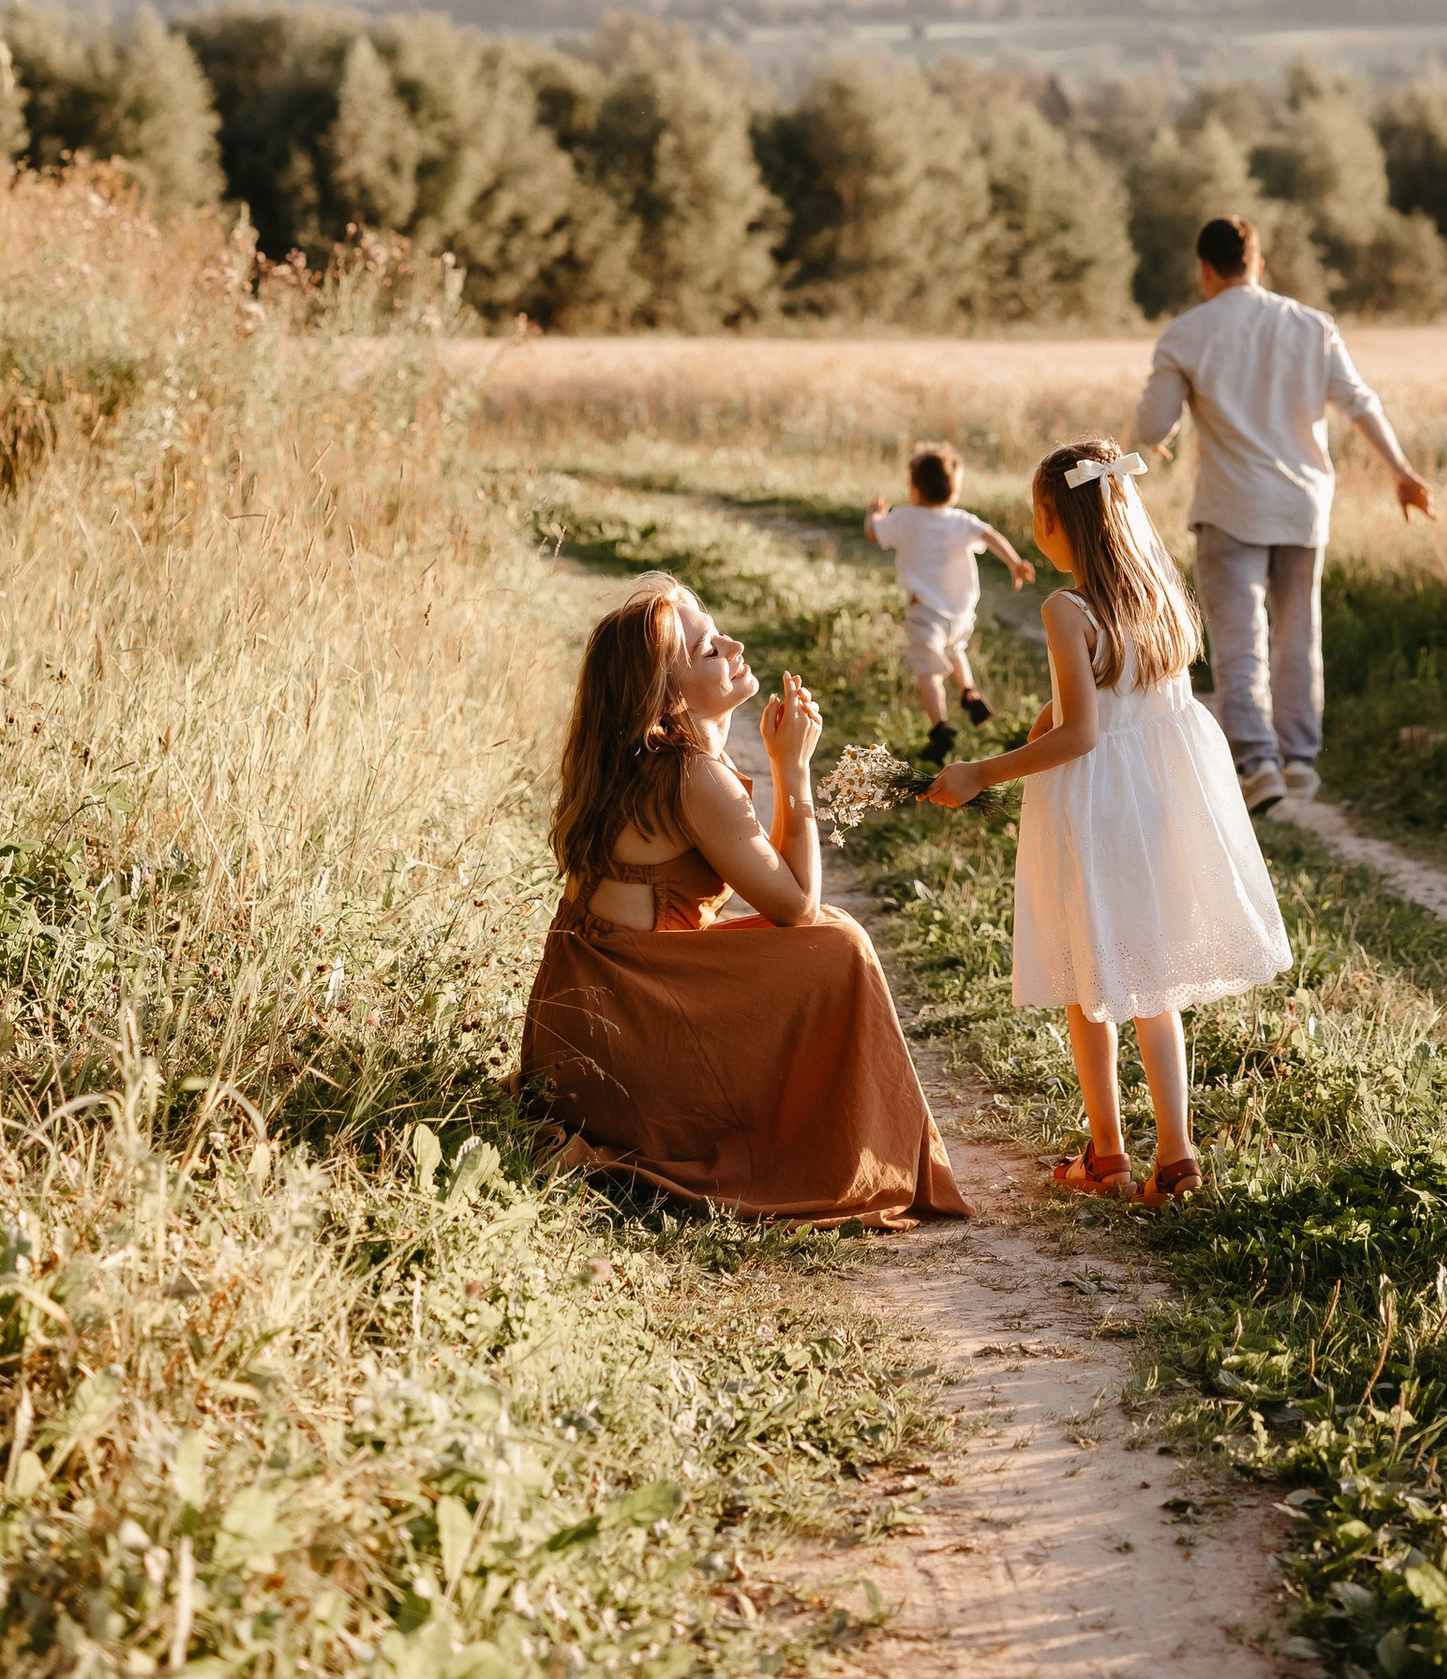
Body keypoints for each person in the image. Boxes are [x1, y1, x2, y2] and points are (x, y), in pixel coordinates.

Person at [518, 577, 965, 1225]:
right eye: (707, 651)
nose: (733, 645)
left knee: (825, 938)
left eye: (719, 633)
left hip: (583, 1036)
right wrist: (794, 771)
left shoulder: (641, 759)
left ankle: (834, 1126)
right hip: (625, 1053)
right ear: (667, 694)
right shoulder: (690, 776)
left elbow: (780, 890)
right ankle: (853, 1146)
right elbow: (797, 907)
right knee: (837, 945)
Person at [923, 436, 1288, 1207]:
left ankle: (1108, 1152)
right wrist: (1054, 710)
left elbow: (1085, 737)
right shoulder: (1155, 588)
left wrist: (977, 773)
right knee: (1152, 980)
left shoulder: (1067, 608)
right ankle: (1178, 1158)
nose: (1032, 528)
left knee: (1090, 975)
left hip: (1094, 803)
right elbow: (1123, 696)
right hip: (1160, 797)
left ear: (1058, 518)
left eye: (1035, 514)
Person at [1129, 213, 1433, 815]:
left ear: (1204, 269)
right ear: (1258, 263)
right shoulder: (1312, 326)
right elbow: (1358, 402)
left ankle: (1257, 760)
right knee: (1299, 632)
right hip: (1302, 504)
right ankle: (1299, 758)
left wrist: (1156, 437)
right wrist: (1401, 470)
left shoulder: (1186, 334)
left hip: (1230, 505)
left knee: (1241, 638)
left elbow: (1151, 426)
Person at [866, 441, 1033, 761]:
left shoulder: (904, 518)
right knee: (956, 650)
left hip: (925, 614)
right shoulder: (962, 520)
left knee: (928, 672)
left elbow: (874, 533)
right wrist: (1014, 562)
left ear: (914, 489)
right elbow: (991, 535)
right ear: (953, 492)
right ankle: (970, 695)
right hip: (960, 613)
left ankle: (940, 728)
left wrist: (874, 515)